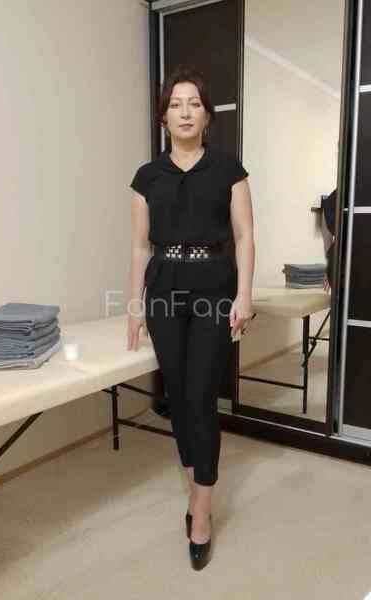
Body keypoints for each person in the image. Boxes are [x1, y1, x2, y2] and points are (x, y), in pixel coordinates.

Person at [127, 66, 255, 570]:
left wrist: (244, 294)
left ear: (207, 116)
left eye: (194, 103)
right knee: (178, 398)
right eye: (175, 104)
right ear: (164, 117)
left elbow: (244, 236)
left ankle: (200, 513)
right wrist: (135, 304)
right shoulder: (147, 177)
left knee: (201, 397)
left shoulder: (229, 170)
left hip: (213, 289)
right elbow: (139, 247)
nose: (185, 112)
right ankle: (194, 492)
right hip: (163, 290)